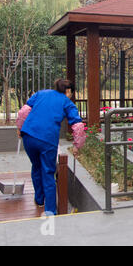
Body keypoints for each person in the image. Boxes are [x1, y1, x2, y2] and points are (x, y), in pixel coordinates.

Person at [16, 79, 86, 215]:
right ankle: (50, 210)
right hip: (47, 140)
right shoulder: (67, 102)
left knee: (36, 167)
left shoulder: (41, 94)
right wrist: (77, 146)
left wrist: (19, 128)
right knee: (48, 172)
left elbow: (24, 111)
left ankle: (39, 199)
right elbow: (78, 126)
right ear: (69, 91)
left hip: (29, 136)